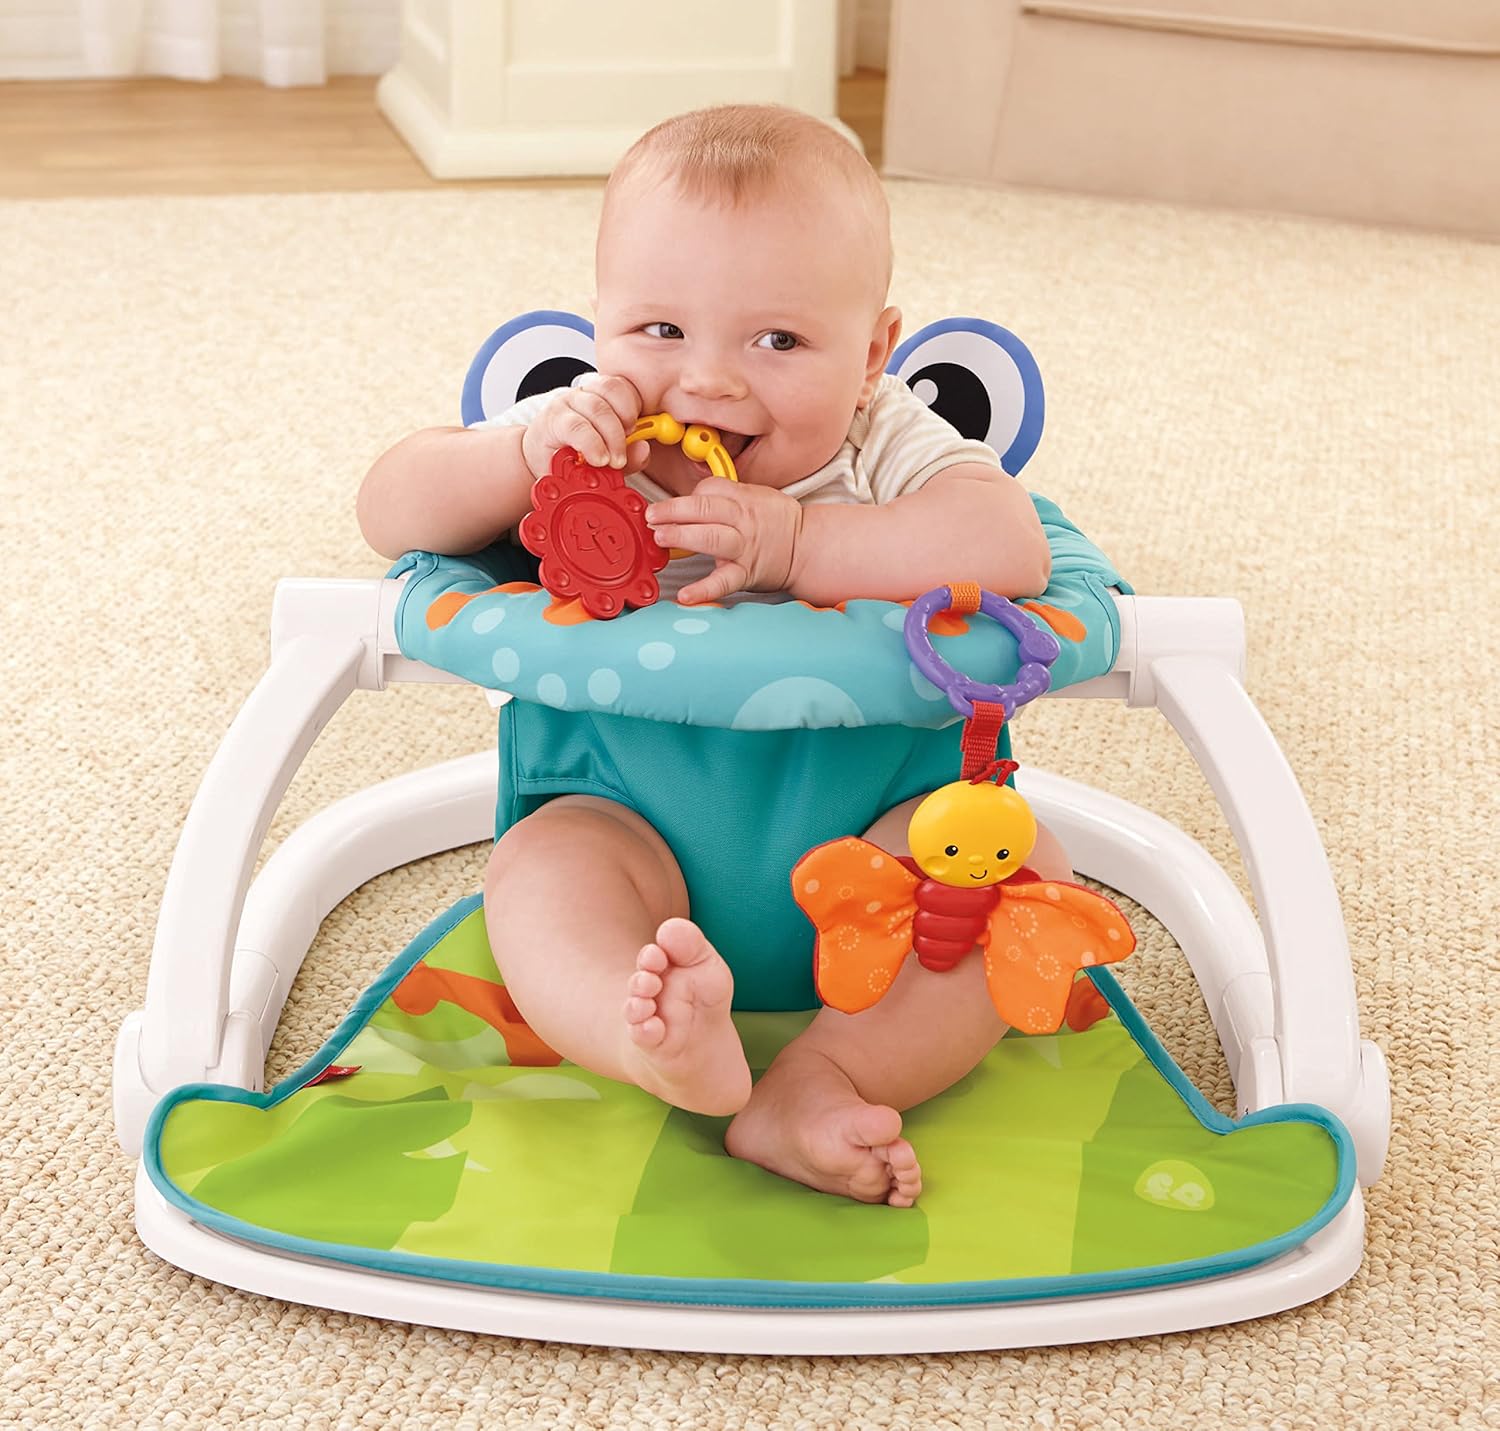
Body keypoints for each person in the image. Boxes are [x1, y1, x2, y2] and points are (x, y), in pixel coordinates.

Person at [358, 103, 1067, 1207]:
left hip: (889, 830)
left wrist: (803, 542)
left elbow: (1008, 545)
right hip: (624, 813)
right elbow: (389, 511)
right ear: (600, 325)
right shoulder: (584, 435)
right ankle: (647, 1041)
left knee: (1019, 876)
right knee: (539, 872)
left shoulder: (883, 440)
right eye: (660, 330)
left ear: (871, 355)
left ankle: (830, 1076)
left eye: (778, 341)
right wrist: (522, 455)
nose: (710, 383)